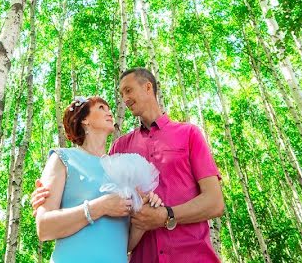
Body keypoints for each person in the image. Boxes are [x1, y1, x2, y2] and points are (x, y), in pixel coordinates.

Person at [34, 68, 225, 262]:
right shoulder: (119, 148)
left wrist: (166, 215)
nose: (124, 99)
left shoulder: (189, 134)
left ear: (148, 87)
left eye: (128, 90)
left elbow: (215, 202)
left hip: (191, 255)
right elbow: (96, 187)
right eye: (121, 94)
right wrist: (48, 196)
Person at [35, 96, 163, 262]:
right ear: (84, 119)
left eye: (109, 108)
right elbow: (44, 228)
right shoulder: (62, 158)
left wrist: (143, 216)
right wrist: (100, 207)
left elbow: (125, 245)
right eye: (101, 108)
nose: (109, 112)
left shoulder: (123, 169)